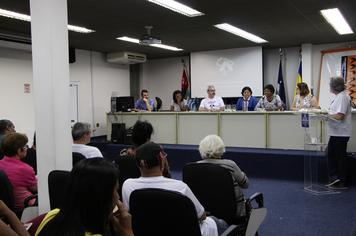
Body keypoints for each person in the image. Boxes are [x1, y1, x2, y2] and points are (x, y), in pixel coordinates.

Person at [122, 142, 228, 236]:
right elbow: (201, 216)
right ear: (162, 160)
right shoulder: (180, 187)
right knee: (220, 223)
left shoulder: (128, 185)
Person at [36, 158, 133, 236]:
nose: (118, 196)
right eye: (116, 190)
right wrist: (127, 232)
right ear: (103, 198)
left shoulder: (52, 215)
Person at [198, 135, 249, 219]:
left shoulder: (194, 167)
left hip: (205, 213)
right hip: (232, 214)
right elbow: (245, 184)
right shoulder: (230, 165)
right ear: (221, 148)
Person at [325, 77, 352, 190]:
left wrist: (326, 116)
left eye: (330, 84)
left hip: (340, 133)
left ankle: (341, 181)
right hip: (336, 132)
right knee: (331, 154)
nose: (329, 86)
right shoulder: (339, 97)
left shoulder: (342, 97)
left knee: (339, 157)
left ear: (334, 86)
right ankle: (335, 179)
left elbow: (340, 116)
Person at [0, 133, 37, 213]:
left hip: (6, 208)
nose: (27, 148)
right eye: (25, 146)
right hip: (25, 206)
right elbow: (35, 188)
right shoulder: (25, 169)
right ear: (19, 150)